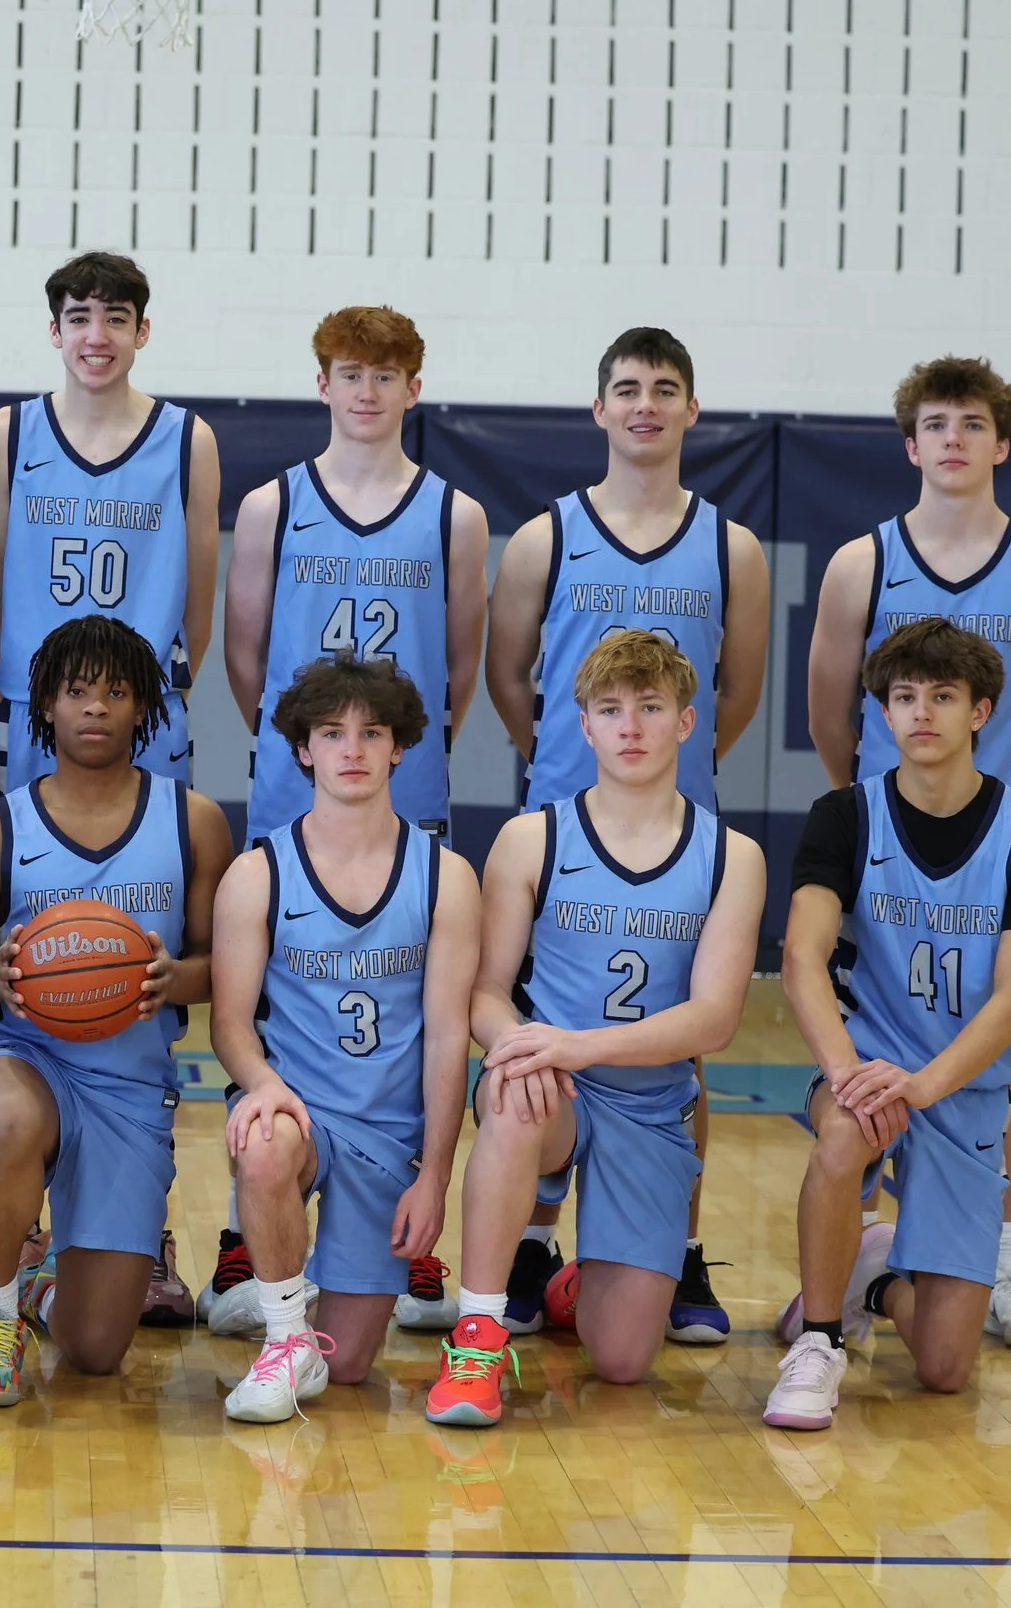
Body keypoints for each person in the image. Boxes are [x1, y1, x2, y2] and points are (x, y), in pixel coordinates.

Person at [481, 326, 770, 1347]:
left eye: (665, 388)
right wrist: (563, 763)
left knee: (676, 1042)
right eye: (628, 388)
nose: (646, 404)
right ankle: (529, 1240)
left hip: (672, 824)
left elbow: (738, 691)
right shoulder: (543, 538)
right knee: (537, 1035)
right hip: (566, 821)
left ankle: (675, 1248)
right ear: (598, 408)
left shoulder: (731, 548)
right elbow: (507, 675)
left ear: (692, 409)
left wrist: (667, 775)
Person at [803, 355, 1011, 1354]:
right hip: (888, 847)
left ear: (1001, 443)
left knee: (998, 1054)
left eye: (972, 423)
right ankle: (846, 1267)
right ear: (909, 444)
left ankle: (1003, 1260)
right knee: (868, 1036)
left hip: (989, 844)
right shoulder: (861, 562)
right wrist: (874, 810)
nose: (954, 439)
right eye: (935, 423)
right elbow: (829, 709)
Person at [0, 250, 223, 1324]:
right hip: (43, 721)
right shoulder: (9, 434)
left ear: (142, 332)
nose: (97, 335)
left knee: (142, 960)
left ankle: (140, 1227)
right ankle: (21, 1232)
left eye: (117, 318)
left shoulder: (187, 438)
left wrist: (156, 692)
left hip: (142, 718)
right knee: (38, 955)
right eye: (79, 317)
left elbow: (198, 589)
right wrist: (28, 695)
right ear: (56, 329)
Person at [215, 306, 488, 1333]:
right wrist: (314, 741)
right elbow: (247, 658)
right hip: (300, 785)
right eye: (349, 372)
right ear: (320, 383)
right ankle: (249, 1226)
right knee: (274, 1003)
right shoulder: (271, 506)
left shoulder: (455, 515)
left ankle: (404, 1199)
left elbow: (458, 666)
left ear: (414, 388)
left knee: (409, 998)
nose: (366, 391)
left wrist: (382, 740)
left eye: (386, 375)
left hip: (402, 785)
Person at [423, 632, 764, 1428]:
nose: (630, 726)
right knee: (515, 1093)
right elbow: (485, 993)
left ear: (687, 721)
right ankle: (477, 1336)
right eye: (610, 710)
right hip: (554, 1088)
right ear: (583, 726)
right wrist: (520, 1045)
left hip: (649, 1104)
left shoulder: (731, 856)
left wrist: (578, 1043)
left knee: (620, 1361)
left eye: (650, 707)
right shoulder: (532, 838)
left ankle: (587, 1276)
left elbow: (715, 1018)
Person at [764, 619, 1011, 1430]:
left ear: (982, 710)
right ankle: (819, 1341)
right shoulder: (845, 816)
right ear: (884, 711)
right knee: (845, 1130)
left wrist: (925, 1083)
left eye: (942, 696)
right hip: (865, 1063)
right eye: (904, 697)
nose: (921, 712)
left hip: (960, 1088)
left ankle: (871, 1280)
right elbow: (801, 957)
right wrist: (846, 1073)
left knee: (943, 1367)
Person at [0, 616, 235, 1404]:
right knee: (4, 1120)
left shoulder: (195, 822)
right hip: (24, 1056)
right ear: (45, 705)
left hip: (130, 1082)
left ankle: (41, 1286)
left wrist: (176, 977)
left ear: (144, 708)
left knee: (97, 1350)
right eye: (76, 691)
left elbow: (223, 966)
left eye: (116, 691)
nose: (95, 707)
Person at [208, 657, 481, 1423]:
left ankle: (282, 1287)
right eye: (332, 733)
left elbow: (448, 1037)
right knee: (264, 1139)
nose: (352, 749)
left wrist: (435, 1176)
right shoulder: (258, 873)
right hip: (299, 1110)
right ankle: (283, 1333)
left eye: (372, 733)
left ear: (400, 747)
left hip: (386, 1133)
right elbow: (229, 1023)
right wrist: (265, 1085)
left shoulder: (446, 877)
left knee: (352, 1366)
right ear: (303, 748)